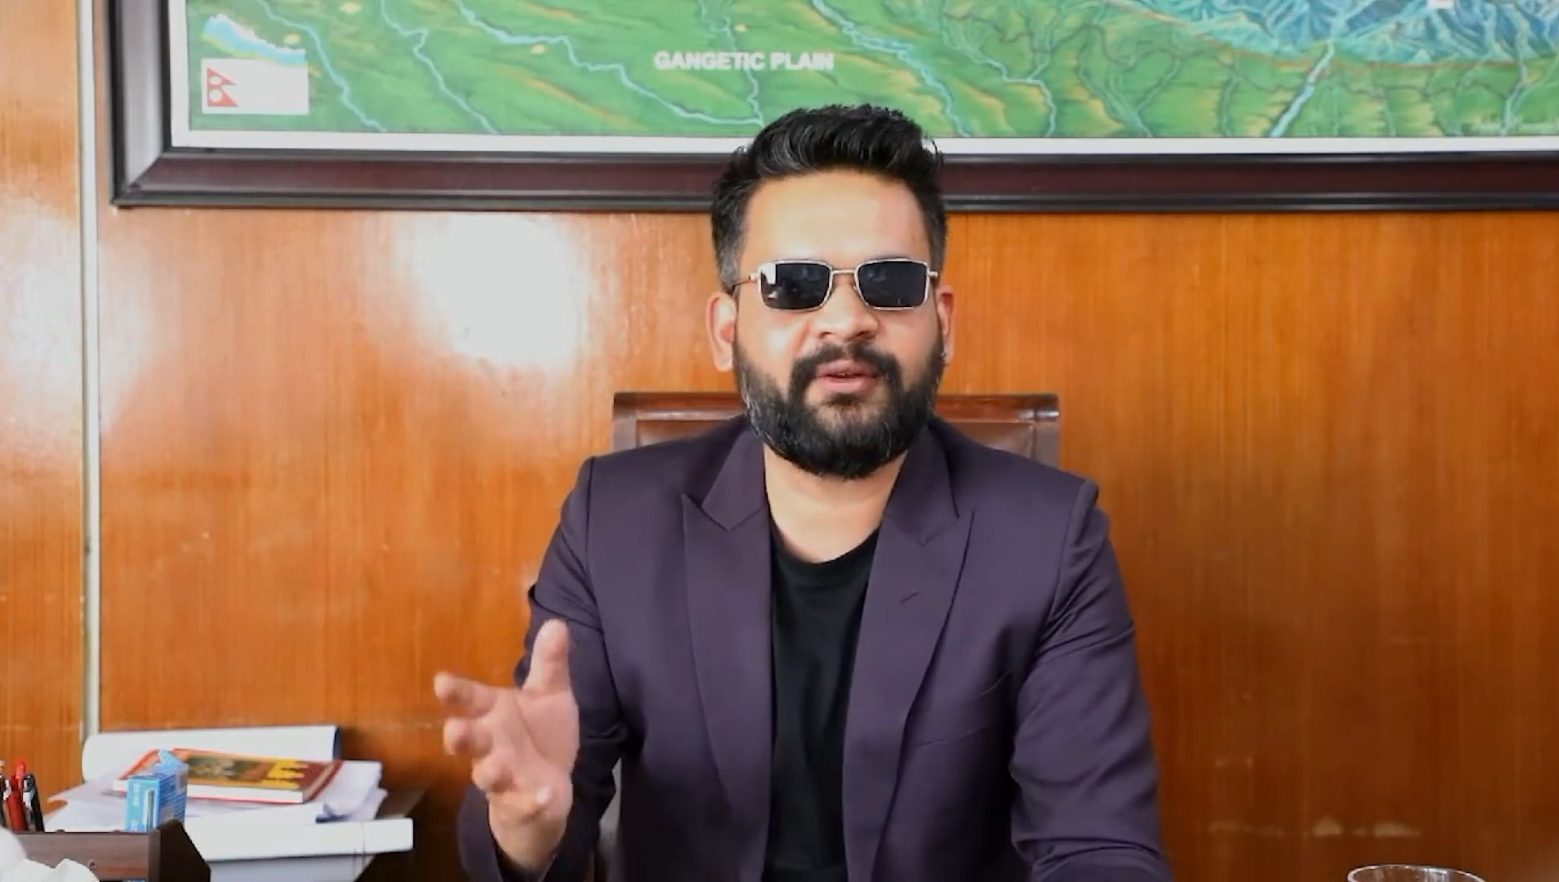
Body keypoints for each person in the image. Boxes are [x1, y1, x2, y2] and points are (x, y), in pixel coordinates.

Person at [436, 104, 1171, 882]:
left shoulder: (1049, 541)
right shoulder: (613, 524)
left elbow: (1100, 850)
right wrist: (528, 823)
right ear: (726, 329)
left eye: (890, 282)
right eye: (794, 285)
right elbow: (539, 819)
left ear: (942, 321)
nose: (846, 321)